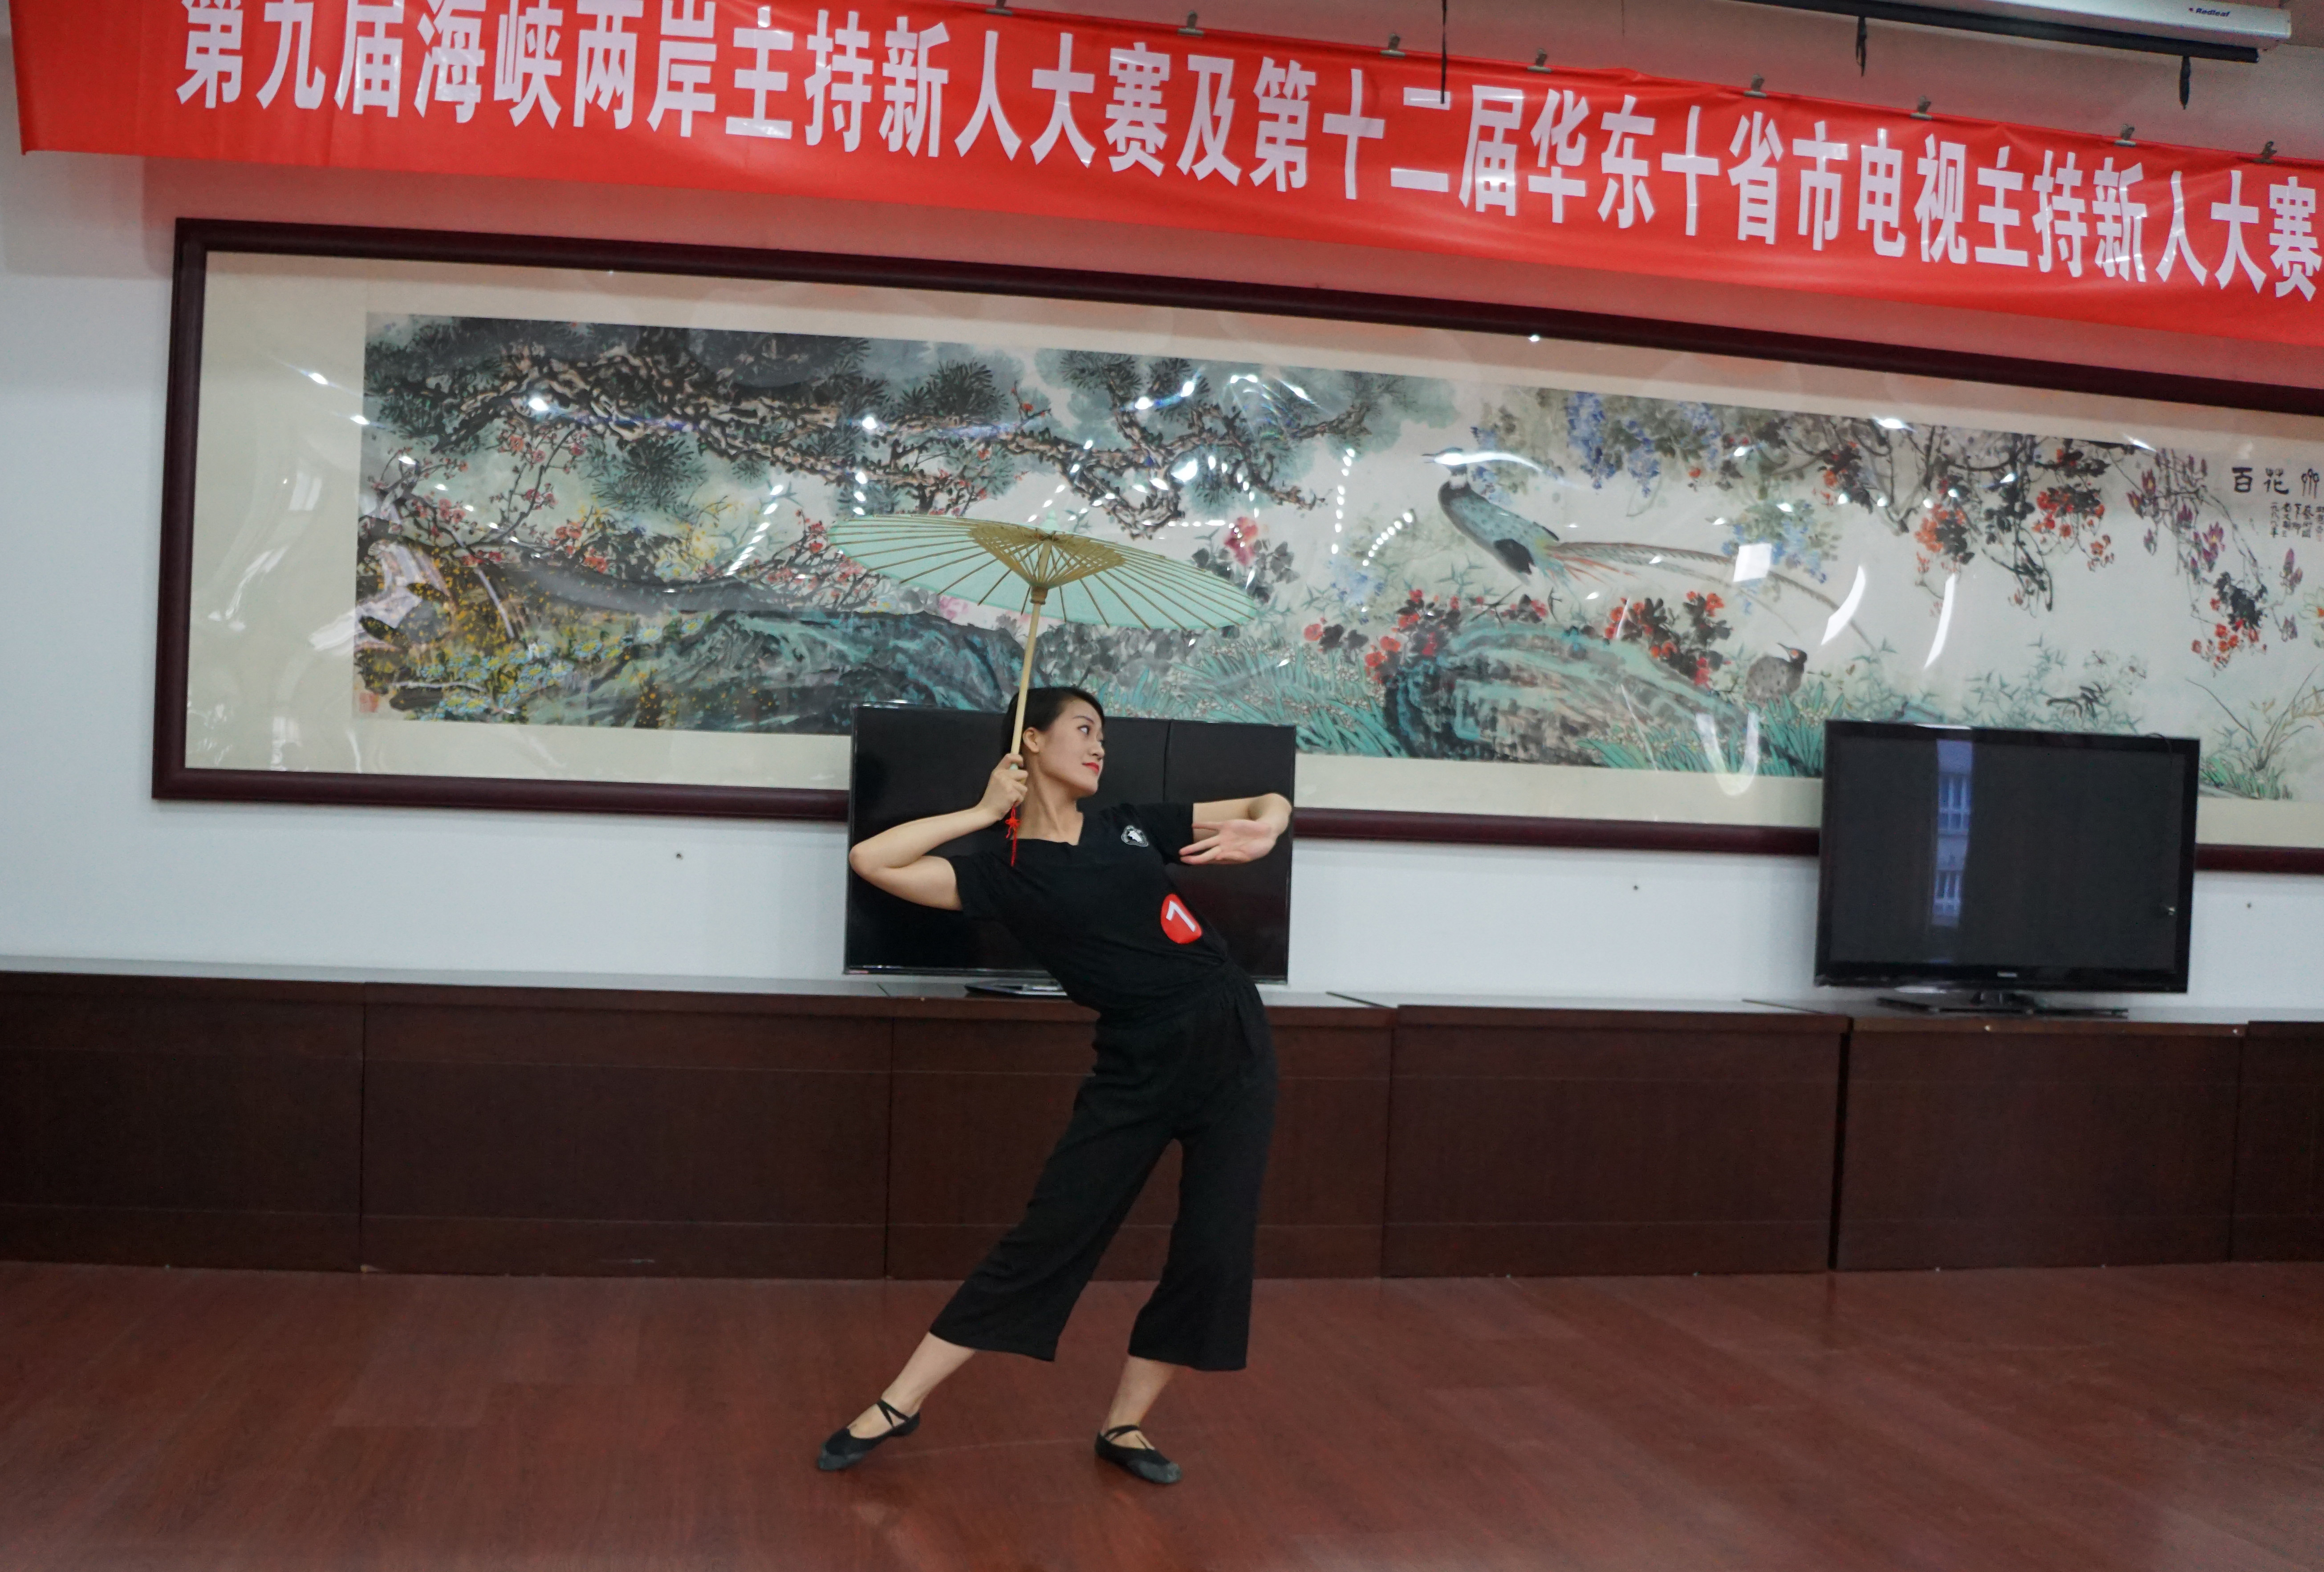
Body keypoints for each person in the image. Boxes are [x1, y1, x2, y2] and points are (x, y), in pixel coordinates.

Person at [823, 685, 1292, 1487]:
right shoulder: (1003, 873)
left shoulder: (1131, 824)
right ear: (1031, 740)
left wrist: (1268, 827)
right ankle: (901, 1402)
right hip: (1137, 1060)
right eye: (1083, 729)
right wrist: (983, 811)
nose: (1099, 745)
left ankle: (1125, 1425)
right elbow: (874, 861)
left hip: (1233, 1038)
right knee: (1053, 1232)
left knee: (1215, 1247)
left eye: (1102, 734)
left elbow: (1265, 799)